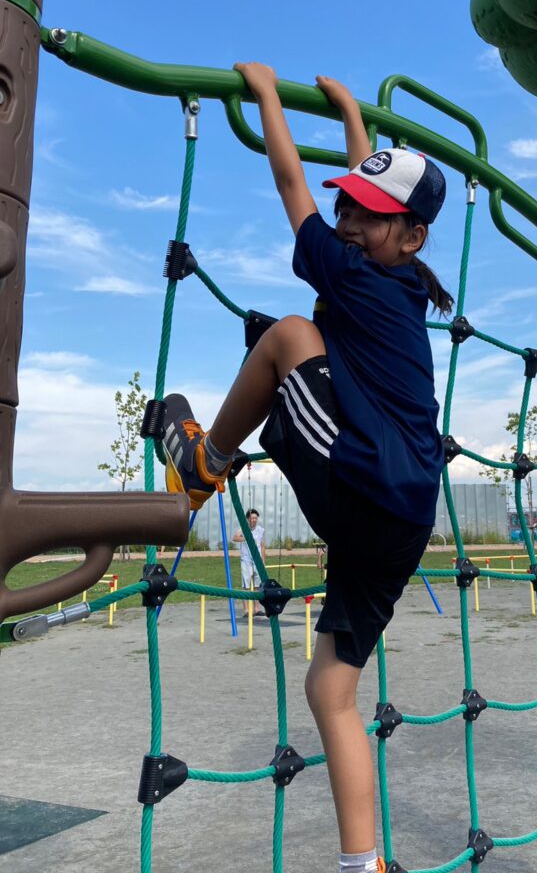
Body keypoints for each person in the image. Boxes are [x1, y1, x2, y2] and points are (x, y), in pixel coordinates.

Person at [162, 63, 452, 873]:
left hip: (365, 482)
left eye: (368, 216)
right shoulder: (396, 280)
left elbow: (293, 185)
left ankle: (204, 463)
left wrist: (265, 96)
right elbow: (360, 185)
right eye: (347, 207)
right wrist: (353, 113)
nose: (349, 223)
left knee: (287, 334)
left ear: (411, 237)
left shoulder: (353, 273)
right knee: (331, 690)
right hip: (403, 517)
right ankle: (364, 864)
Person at [232, 507, 266, 618]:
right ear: (248, 519)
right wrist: (245, 538)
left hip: (257, 560)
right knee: (246, 585)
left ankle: (257, 609)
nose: (254, 520)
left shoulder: (260, 530)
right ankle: (246, 610)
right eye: (252, 518)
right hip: (246, 559)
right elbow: (235, 538)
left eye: (256, 518)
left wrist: (263, 560)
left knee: (257, 586)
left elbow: (262, 545)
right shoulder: (243, 529)